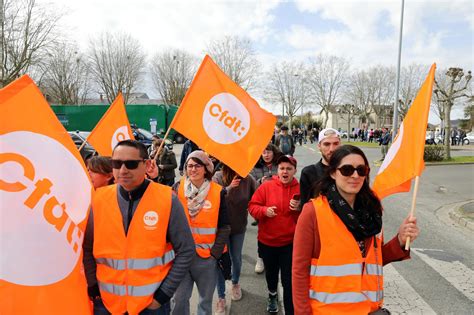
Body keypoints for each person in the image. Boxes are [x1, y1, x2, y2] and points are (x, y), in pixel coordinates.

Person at [292, 145, 419, 314]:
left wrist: (400, 241)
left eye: (361, 170)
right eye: (346, 170)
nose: (355, 175)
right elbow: (299, 271)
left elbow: (375, 260)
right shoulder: (313, 212)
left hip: (369, 310)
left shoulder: (373, 211)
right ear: (332, 173)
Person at [83, 140, 195, 315]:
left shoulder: (167, 199)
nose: (123, 170)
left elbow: (186, 250)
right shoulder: (98, 199)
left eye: (131, 164)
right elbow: (88, 247)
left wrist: (163, 296)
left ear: (147, 164)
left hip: (151, 305)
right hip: (107, 303)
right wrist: (92, 285)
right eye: (117, 163)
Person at [172, 151, 230, 315]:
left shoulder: (219, 192)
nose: (193, 169)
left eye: (198, 165)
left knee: (205, 303)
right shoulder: (177, 187)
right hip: (181, 256)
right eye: (190, 165)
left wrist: (214, 254)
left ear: (206, 169)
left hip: (206, 258)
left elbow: (225, 227)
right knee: (179, 300)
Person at [248, 155, 301, 315]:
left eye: (289, 169)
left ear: (294, 171)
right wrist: (264, 211)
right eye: (282, 168)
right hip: (268, 242)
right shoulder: (266, 187)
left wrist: (298, 209)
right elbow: (252, 207)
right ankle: (272, 295)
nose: (285, 171)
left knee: (289, 281)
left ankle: (290, 309)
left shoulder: (300, 189)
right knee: (271, 275)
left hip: (290, 244)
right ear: (277, 171)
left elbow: (308, 216)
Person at [212, 164, 257, 314]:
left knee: (236, 258)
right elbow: (213, 198)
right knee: (220, 262)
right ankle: (221, 297)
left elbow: (257, 197)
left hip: (238, 226)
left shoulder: (248, 179)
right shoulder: (218, 177)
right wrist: (229, 187)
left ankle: (235, 283)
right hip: (220, 228)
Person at [250, 143, 283, 273]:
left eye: (268, 152)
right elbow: (251, 184)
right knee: (263, 232)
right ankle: (261, 258)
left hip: (278, 202)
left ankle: (279, 257)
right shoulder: (255, 166)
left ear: (273, 153)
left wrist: (275, 181)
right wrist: (260, 182)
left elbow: (287, 179)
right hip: (262, 205)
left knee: (279, 230)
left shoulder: (279, 165)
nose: (266, 155)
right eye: (263, 152)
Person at [299, 128, 341, 208]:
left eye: (336, 144)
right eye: (326, 144)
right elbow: (305, 209)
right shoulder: (309, 173)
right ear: (319, 146)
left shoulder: (350, 170)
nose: (332, 149)